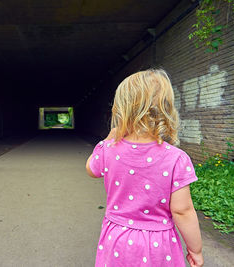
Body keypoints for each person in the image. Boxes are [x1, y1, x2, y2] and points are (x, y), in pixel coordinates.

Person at [85, 69, 203, 267]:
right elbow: (182, 211)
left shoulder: (109, 149)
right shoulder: (176, 159)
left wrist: (107, 139)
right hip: (159, 245)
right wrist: (195, 250)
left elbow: (91, 169)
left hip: (117, 240)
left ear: (121, 110)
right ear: (167, 109)